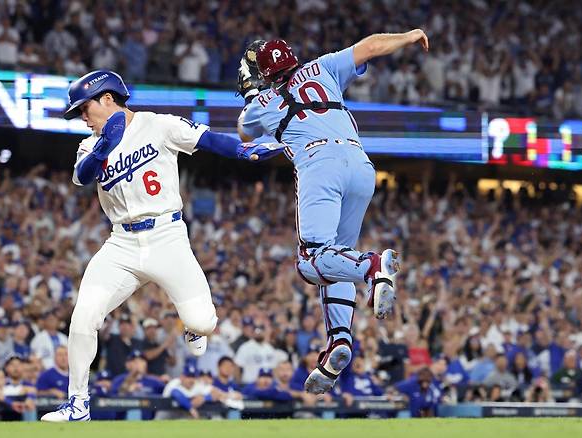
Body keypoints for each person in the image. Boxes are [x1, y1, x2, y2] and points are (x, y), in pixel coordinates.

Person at [41, 69, 283, 422]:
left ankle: (192, 326)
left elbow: (206, 139)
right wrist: (105, 146)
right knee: (83, 317)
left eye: (84, 108)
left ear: (107, 99)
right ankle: (78, 403)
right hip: (121, 243)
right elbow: (82, 176)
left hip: (166, 237)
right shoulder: (91, 144)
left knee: (203, 323)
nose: (82, 116)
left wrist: (243, 151)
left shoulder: (157, 124)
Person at [235, 31, 428, 394]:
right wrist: (408, 37)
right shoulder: (322, 67)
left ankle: (372, 266)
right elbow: (370, 46)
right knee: (336, 256)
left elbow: (245, 134)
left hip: (319, 162)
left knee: (311, 261)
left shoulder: (261, 101)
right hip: (360, 163)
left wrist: (251, 95)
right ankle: (339, 338)